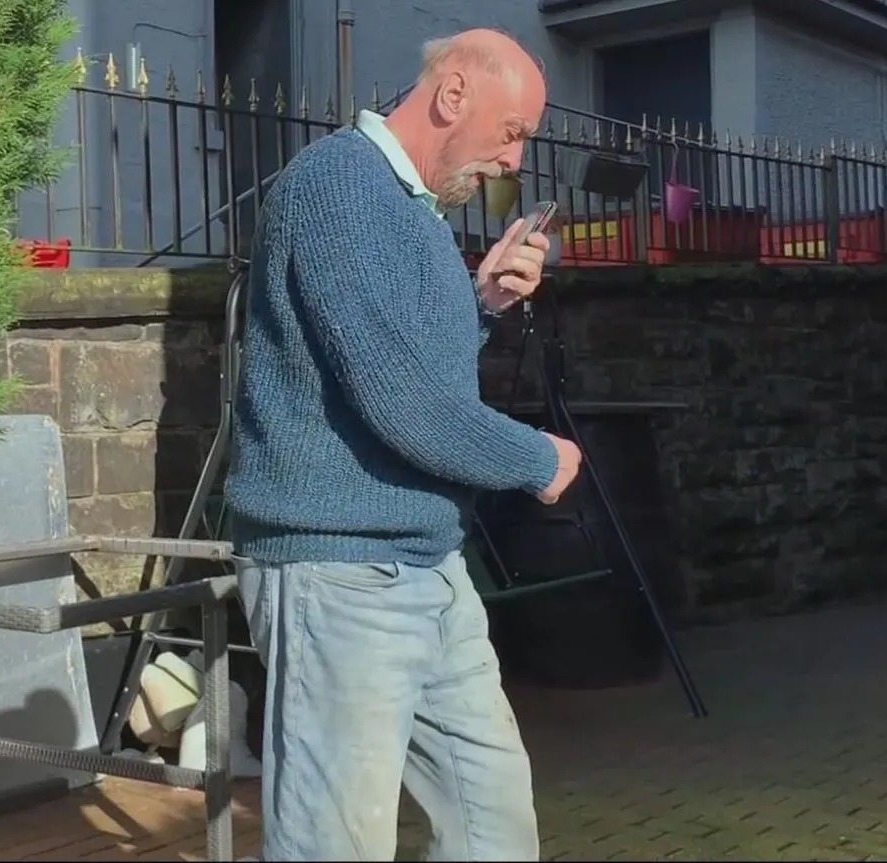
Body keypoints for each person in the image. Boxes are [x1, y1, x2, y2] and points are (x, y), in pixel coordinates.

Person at [223, 28, 582, 862]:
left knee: (494, 823)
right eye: (513, 131)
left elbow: (410, 369)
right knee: (333, 844)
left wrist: (482, 302)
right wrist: (537, 459)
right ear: (452, 94)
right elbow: (404, 403)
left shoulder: (412, 210)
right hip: (338, 571)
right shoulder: (338, 186)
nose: (513, 159)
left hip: (429, 566)